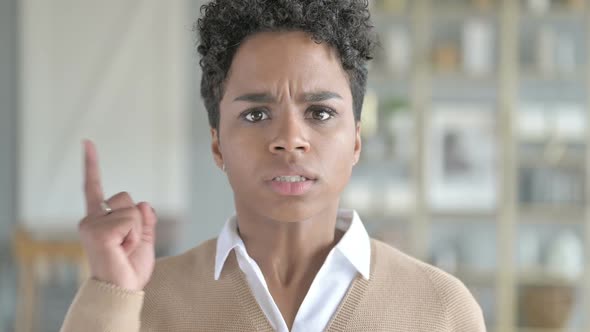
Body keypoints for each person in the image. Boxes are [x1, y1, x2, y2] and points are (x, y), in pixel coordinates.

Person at [61, 0, 486, 331]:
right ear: (217, 144)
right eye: (256, 114)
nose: (289, 140)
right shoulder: (140, 303)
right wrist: (109, 296)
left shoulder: (442, 309)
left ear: (356, 140)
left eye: (319, 113)